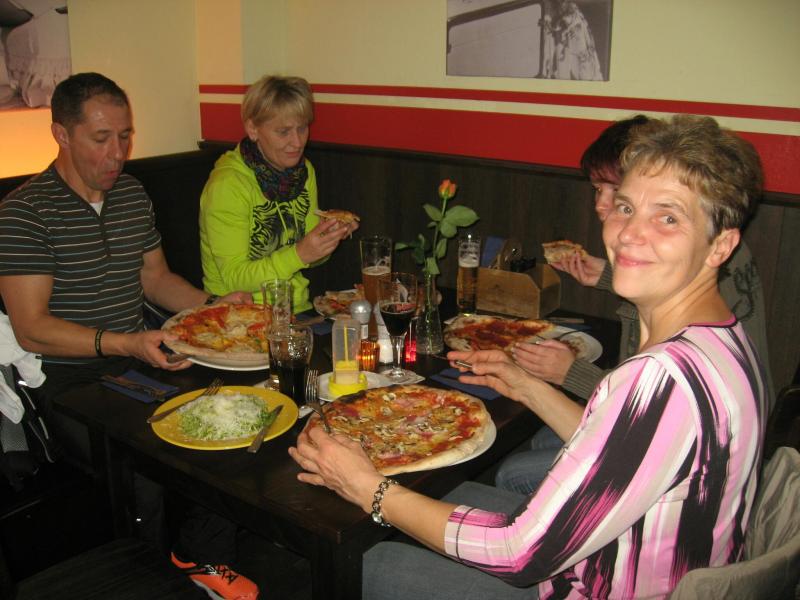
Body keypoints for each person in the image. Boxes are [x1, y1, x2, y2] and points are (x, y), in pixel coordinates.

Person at [289, 115, 768, 599]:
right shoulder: (720, 339)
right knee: (435, 498)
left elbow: (517, 553)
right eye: (626, 207)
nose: (628, 233)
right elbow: (620, 446)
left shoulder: (663, 379)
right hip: (625, 558)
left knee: (373, 562)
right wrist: (526, 386)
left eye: (668, 217)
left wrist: (368, 488)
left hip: (593, 586)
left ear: (721, 245)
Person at [0, 72, 258, 600]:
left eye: (125, 135)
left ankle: (199, 555)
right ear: (61, 134)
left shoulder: (132, 194)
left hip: (138, 357)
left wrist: (214, 308)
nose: (118, 153)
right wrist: (128, 343)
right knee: (145, 459)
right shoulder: (24, 214)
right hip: (68, 379)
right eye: (102, 138)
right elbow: (32, 330)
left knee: (233, 415)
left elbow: (155, 279)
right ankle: (148, 581)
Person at [497, 114, 774, 494]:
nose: (603, 207)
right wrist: (610, 276)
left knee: (512, 472)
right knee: (541, 438)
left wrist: (571, 374)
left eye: (614, 191)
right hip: (689, 446)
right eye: (622, 204)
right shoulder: (706, 325)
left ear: (721, 246)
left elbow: (648, 404)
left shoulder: (672, 369)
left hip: (700, 460)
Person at [199, 74, 356, 312]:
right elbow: (234, 278)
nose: (297, 142)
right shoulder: (227, 185)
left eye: (302, 128)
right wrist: (300, 254)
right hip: (239, 315)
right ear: (253, 128)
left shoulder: (303, 171)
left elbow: (310, 257)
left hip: (297, 310)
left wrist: (329, 236)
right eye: (283, 132)